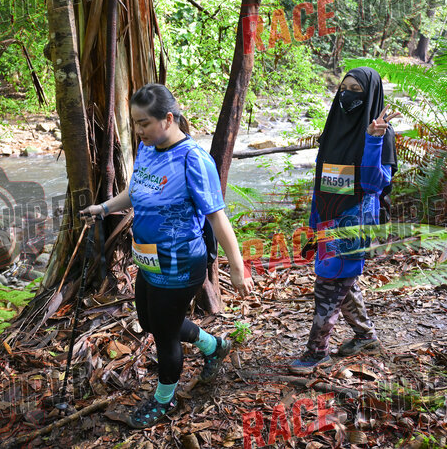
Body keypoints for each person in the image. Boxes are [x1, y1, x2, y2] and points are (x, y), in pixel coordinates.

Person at [80, 83, 254, 428]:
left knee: (164, 334)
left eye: (144, 123)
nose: (138, 130)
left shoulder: (193, 159)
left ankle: (164, 400)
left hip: (180, 263)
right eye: (135, 123)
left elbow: (217, 217)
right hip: (148, 259)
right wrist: (103, 208)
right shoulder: (147, 148)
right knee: (150, 321)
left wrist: (238, 268)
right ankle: (214, 346)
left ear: (169, 119)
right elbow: (136, 191)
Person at [289, 67, 399, 375]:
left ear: (371, 95)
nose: (347, 95)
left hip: (354, 220)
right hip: (328, 215)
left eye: (356, 90)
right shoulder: (334, 126)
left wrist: (373, 140)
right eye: (344, 88)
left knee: (328, 283)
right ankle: (366, 337)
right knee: (342, 281)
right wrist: (314, 225)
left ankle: (316, 352)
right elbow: (322, 182)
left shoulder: (382, 132)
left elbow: (374, 184)